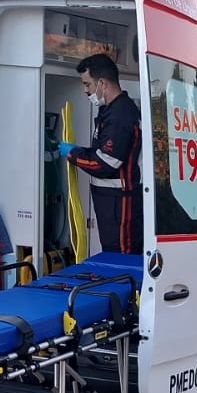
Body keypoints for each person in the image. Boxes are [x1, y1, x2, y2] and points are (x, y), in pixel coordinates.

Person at [57, 53, 143, 254]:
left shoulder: (121, 114)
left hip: (121, 202)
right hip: (110, 202)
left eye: (87, 85)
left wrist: (74, 155)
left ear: (102, 83)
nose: (85, 90)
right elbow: (100, 152)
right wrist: (77, 150)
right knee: (112, 252)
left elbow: (106, 163)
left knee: (122, 255)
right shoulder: (109, 110)